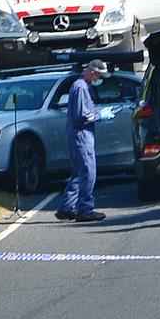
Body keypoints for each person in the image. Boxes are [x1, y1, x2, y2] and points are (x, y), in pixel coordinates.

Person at [57, 60, 108, 222]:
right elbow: (82, 116)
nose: (99, 78)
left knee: (78, 174)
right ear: (92, 72)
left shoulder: (84, 86)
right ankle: (85, 209)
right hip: (81, 136)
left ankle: (66, 208)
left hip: (80, 135)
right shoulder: (80, 87)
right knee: (88, 172)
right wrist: (100, 115)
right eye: (99, 75)